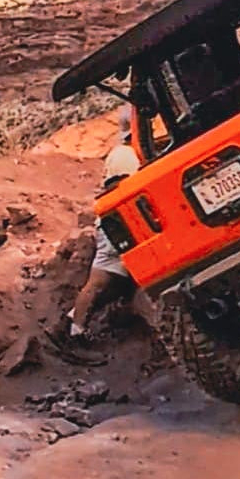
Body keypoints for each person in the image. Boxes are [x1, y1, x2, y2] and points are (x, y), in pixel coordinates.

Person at [68, 119, 140, 338]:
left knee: (109, 280)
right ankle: (76, 330)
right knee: (99, 281)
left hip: (117, 220)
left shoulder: (123, 153)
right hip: (118, 221)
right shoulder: (125, 155)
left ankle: (76, 318)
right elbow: (122, 184)